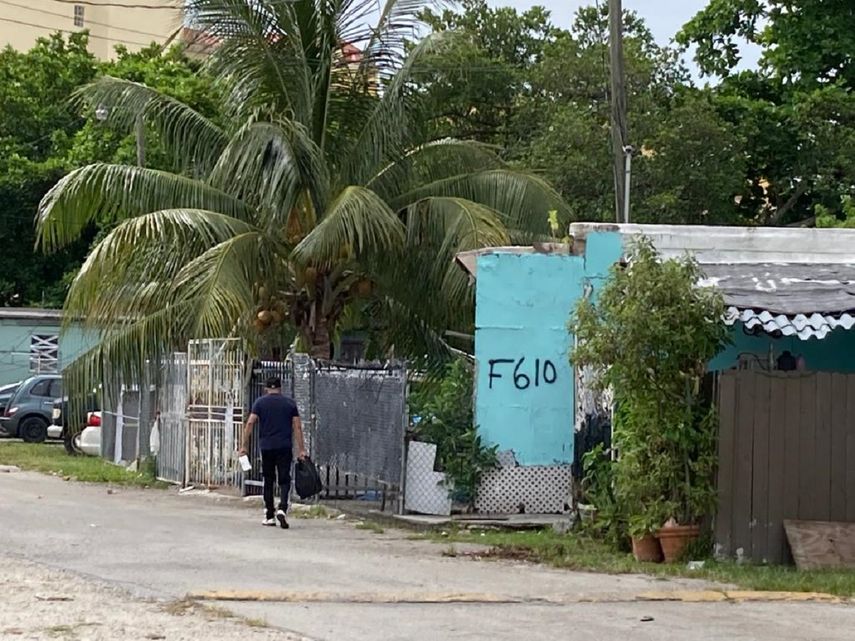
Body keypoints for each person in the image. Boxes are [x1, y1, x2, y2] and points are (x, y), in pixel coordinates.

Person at [239, 377, 307, 529]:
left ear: (266, 388)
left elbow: (250, 422)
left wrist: (243, 445)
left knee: (268, 480)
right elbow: (297, 426)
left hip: (267, 447)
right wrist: (301, 449)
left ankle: (269, 515)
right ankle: (282, 508)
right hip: (284, 446)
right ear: (280, 388)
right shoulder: (290, 403)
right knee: (284, 479)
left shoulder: (260, 403)